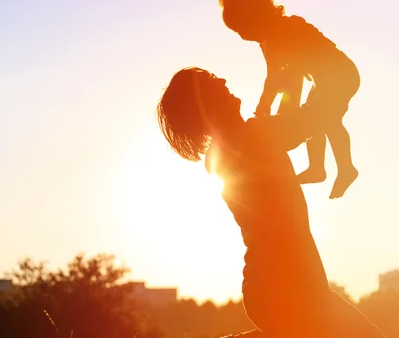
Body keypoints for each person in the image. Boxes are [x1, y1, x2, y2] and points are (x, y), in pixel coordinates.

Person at [156, 67, 384, 337]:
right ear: (204, 103)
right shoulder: (252, 136)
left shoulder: (221, 154)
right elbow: (312, 119)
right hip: (290, 289)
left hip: (276, 288)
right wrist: (325, 71)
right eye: (211, 81)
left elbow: (295, 122)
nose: (223, 80)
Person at [219, 0, 361, 199]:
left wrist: (284, 109)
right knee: (317, 118)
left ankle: (346, 168)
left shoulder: (289, 29)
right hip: (321, 82)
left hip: (341, 73)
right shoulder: (268, 42)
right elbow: (273, 77)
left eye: (242, 28)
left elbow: (292, 76)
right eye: (236, 32)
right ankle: (317, 168)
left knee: (328, 120)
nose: (241, 36)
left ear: (257, 15)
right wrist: (264, 104)